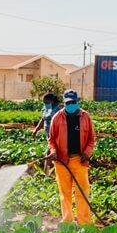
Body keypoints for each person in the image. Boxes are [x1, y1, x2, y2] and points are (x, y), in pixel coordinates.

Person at [47, 89, 96, 225]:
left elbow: (91, 139)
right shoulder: (57, 118)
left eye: (73, 102)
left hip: (79, 160)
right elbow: (51, 139)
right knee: (65, 193)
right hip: (62, 161)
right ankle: (67, 223)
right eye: (68, 103)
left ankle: (84, 224)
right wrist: (53, 151)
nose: (71, 105)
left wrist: (87, 152)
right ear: (64, 103)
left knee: (83, 192)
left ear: (77, 101)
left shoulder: (85, 117)